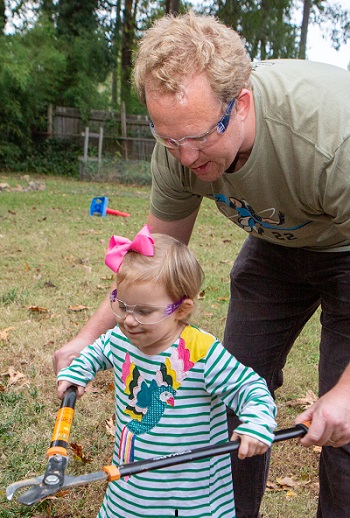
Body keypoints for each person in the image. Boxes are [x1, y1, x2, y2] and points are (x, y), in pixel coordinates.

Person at [52, 11, 350, 518]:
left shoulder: (329, 143)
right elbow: (149, 260)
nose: (185, 158)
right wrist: (87, 337)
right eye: (168, 138)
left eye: (198, 138)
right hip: (276, 246)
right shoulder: (178, 146)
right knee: (235, 397)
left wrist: (346, 391)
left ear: (242, 105)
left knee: (342, 427)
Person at [56, 225, 277, 518]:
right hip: (129, 488)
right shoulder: (121, 338)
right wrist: (77, 372)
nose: (129, 320)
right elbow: (96, 352)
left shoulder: (200, 351)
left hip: (192, 498)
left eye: (143, 311)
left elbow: (251, 389)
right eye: (121, 306)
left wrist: (257, 422)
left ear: (182, 309)